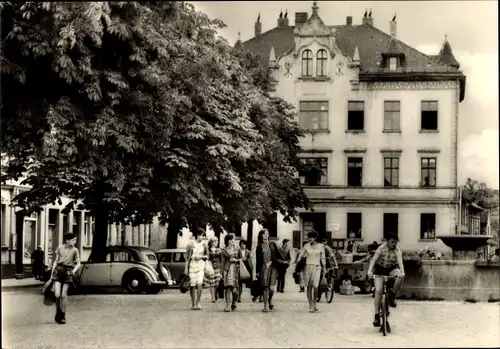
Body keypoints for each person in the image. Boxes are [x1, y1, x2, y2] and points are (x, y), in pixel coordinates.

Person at [367, 232, 405, 327]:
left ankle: (392, 295)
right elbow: (373, 260)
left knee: (400, 276)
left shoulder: (397, 250)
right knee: (379, 290)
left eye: (395, 242)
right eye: (392, 242)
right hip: (379, 269)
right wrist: (369, 271)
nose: (394, 244)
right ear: (387, 241)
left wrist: (402, 272)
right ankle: (376, 316)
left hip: (391, 269)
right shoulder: (381, 248)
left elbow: (400, 263)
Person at [50, 232, 81, 324]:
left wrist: (73, 272)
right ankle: (58, 311)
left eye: (75, 240)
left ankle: (62, 315)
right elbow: (56, 261)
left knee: (63, 295)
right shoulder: (60, 248)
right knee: (57, 295)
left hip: (68, 272)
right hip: (58, 271)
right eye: (73, 240)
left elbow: (79, 263)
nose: (74, 242)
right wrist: (52, 273)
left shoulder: (75, 250)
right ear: (67, 240)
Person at [297, 230, 325, 313]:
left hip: (317, 267)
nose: (309, 239)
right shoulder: (306, 246)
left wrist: (325, 267)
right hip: (308, 267)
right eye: (308, 237)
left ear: (315, 238)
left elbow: (322, 258)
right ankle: (310, 305)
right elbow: (300, 255)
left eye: (311, 237)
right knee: (309, 286)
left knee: (316, 286)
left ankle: (315, 303)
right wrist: (298, 264)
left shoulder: (321, 246)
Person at [255, 229, 279, 313]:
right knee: (265, 287)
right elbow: (258, 260)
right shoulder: (259, 246)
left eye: (267, 233)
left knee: (271, 289)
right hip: (263, 268)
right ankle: (265, 306)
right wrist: (257, 272)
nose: (266, 235)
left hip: (273, 268)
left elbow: (277, 255)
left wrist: (273, 261)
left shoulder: (272, 244)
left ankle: (269, 300)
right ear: (261, 235)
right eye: (264, 234)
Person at [185, 228, 208, 310]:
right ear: (198, 235)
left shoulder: (204, 245)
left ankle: (198, 303)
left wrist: (201, 257)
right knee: (192, 285)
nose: (203, 237)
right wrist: (186, 269)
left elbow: (207, 256)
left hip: (201, 266)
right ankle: (193, 303)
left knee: (199, 284)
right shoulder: (190, 245)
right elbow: (187, 258)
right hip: (192, 266)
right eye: (202, 235)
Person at [220, 233, 242, 312]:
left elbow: (241, 259)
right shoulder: (224, 250)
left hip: (236, 270)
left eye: (234, 239)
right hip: (227, 270)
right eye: (232, 239)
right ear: (228, 240)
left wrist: (235, 260)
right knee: (228, 288)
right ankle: (227, 306)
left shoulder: (238, 248)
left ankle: (234, 301)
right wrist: (221, 272)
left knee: (235, 291)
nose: (234, 240)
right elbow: (222, 262)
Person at [207, 236, 222, 303]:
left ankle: (216, 294)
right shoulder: (208, 250)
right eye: (215, 241)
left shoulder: (219, 250)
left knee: (217, 283)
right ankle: (213, 298)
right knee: (212, 283)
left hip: (218, 268)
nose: (217, 242)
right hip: (211, 268)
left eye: (217, 241)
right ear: (212, 242)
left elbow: (221, 260)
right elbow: (207, 259)